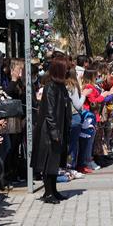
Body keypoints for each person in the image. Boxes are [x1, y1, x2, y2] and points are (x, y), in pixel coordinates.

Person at [31, 56, 72, 204]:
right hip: (49, 132)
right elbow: (49, 113)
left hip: (59, 128)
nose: (68, 71)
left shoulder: (61, 86)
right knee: (48, 163)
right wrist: (55, 133)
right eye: (66, 69)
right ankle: (48, 193)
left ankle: (53, 190)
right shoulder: (50, 87)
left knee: (55, 162)